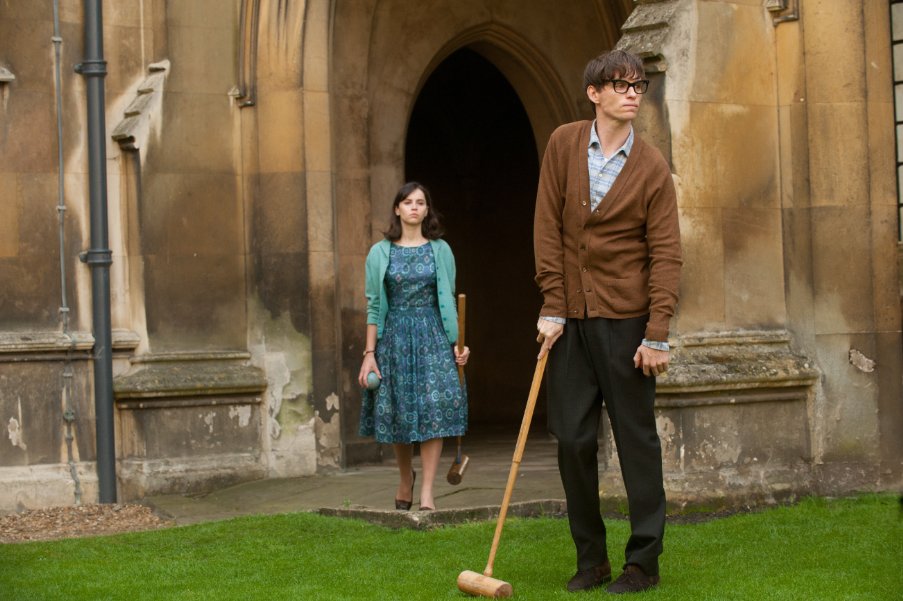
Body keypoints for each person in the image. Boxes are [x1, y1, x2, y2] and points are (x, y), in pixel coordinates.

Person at [533, 50, 682, 594]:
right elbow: (547, 224)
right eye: (620, 85)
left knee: (637, 442)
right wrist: (552, 303)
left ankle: (643, 561)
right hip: (569, 320)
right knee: (572, 439)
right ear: (594, 93)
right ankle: (590, 559)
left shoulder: (652, 167)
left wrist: (657, 332)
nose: (632, 94)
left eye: (638, 86)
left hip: (628, 324)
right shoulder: (563, 143)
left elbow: (666, 253)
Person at [358, 181, 470, 512]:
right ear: (397, 209)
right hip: (394, 339)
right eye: (408, 202)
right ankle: (406, 478)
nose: (414, 207)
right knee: (399, 412)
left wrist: (458, 344)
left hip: (433, 336)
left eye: (421, 202)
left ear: (427, 210)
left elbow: (449, 300)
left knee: (436, 407)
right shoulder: (380, 252)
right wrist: (369, 354)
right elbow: (374, 306)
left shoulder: (441, 250)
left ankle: (427, 495)